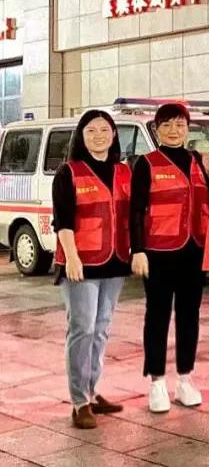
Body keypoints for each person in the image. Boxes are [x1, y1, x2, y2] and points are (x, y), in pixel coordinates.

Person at [130, 103, 209, 413]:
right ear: (157, 130)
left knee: (190, 315)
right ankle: (157, 382)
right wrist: (138, 250)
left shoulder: (198, 161)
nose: (174, 131)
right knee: (158, 316)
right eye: (167, 125)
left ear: (188, 129)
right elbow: (135, 211)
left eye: (179, 125)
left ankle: (185, 378)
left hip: (194, 250)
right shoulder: (146, 164)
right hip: (158, 252)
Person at [53, 110, 132, 429]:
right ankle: (79, 401)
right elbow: (63, 220)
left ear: (114, 135)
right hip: (81, 263)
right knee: (82, 328)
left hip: (115, 260)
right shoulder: (69, 172)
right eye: (91, 130)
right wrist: (71, 257)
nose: (98, 135)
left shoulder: (124, 171)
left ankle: (92, 389)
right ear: (81, 136)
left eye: (104, 130)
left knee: (101, 329)